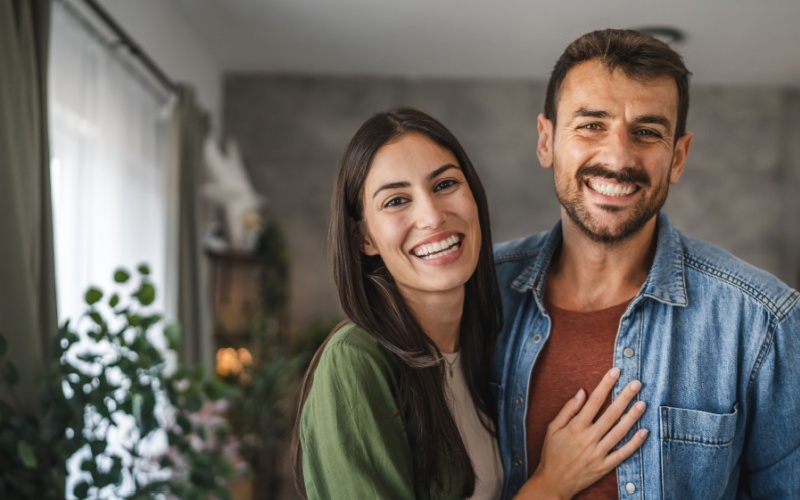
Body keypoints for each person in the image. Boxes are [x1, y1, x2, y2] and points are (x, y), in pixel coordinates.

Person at [493, 28, 800, 499]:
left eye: (647, 133)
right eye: (591, 124)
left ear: (677, 158)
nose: (618, 158)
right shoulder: (477, 293)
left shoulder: (762, 321)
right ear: (546, 141)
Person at [291, 107, 650, 499]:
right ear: (364, 238)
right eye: (395, 201)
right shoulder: (356, 361)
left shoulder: (481, 345)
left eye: (445, 184)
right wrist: (551, 485)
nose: (431, 216)